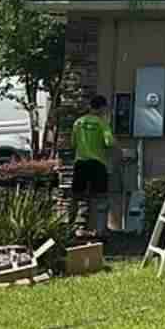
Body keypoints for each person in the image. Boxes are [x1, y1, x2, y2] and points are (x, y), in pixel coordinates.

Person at [69, 94, 114, 238]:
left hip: (81, 163)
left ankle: (70, 228)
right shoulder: (102, 123)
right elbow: (109, 143)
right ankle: (101, 231)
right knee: (101, 197)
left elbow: (73, 143)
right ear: (102, 108)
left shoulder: (78, 122)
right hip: (98, 164)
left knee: (76, 197)